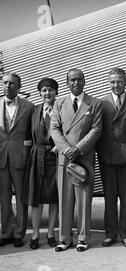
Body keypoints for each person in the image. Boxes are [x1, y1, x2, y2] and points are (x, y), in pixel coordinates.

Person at [51, 68, 103, 252]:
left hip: (84, 157)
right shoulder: (59, 104)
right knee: (65, 199)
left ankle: (82, 237)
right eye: (72, 80)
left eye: (79, 79)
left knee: (84, 199)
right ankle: (64, 238)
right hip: (64, 158)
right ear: (67, 83)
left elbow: (96, 130)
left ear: (84, 81)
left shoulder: (95, 103)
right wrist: (67, 149)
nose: (76, 83)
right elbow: (54, 129)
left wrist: (78, 149)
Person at [97, 67, 126, 247]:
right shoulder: (101, 104)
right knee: (109, 197)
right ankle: (110, 234)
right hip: (107, 156)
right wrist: (100, 150)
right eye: (112, 82)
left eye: (119, 81)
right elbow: (96, 129)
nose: (115, 85)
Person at [23, 77, 59, 249]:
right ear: (40, 93)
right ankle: (36, 233)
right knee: (36, 196)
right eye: (44, 90)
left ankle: (51, 232)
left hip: (56, 157)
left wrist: (60, 146)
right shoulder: (34, 111)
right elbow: (28, 137)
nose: (47, 93)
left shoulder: (61, 109)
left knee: (54, 197)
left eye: (50, 90)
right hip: (37, 156)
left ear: (56, 92)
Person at [0, 72, 34, 248]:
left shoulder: (29, 107)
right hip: (1, 158)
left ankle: (20, 233)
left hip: (20, 157)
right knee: (3, 198)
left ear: (19, 86)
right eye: (5, 82)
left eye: (12, 83)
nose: (7, 86)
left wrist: (27, 153)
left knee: (21, 197)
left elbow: (32, 134)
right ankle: (6, 233)